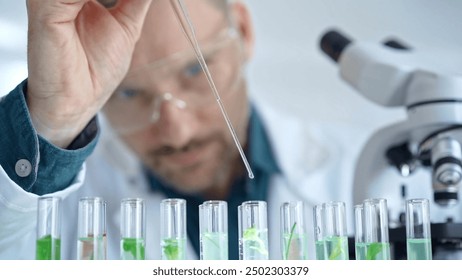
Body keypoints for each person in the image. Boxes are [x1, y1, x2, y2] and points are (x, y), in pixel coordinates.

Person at [0, 0, 374, 260]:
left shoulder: (379, 176)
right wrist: (54, 120)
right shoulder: (60, 210)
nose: (176, 133)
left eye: (196, 71)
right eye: (129, 93)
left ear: (242, 31)